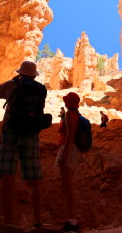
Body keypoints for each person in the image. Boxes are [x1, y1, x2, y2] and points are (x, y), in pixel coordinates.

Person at [0, 61, 47, 227]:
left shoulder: (12, 84)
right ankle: (38, 221)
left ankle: (8, 222)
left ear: (21, 72)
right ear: (34, 75)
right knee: (35, 179)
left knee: (8, 177)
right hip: (31, 133)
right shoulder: (41, 89)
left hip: (10, 131)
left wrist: (12, 85)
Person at [56, 92, 82, 232]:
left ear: (68, 102)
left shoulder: (69, 114)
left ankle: (73, 221)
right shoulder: (75, 113)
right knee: (67, 185)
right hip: (72, 150)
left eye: (66, 100)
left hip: (68, 150)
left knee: (67, 186)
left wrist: (64, 154)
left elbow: (70, 135)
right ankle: (71, 218)